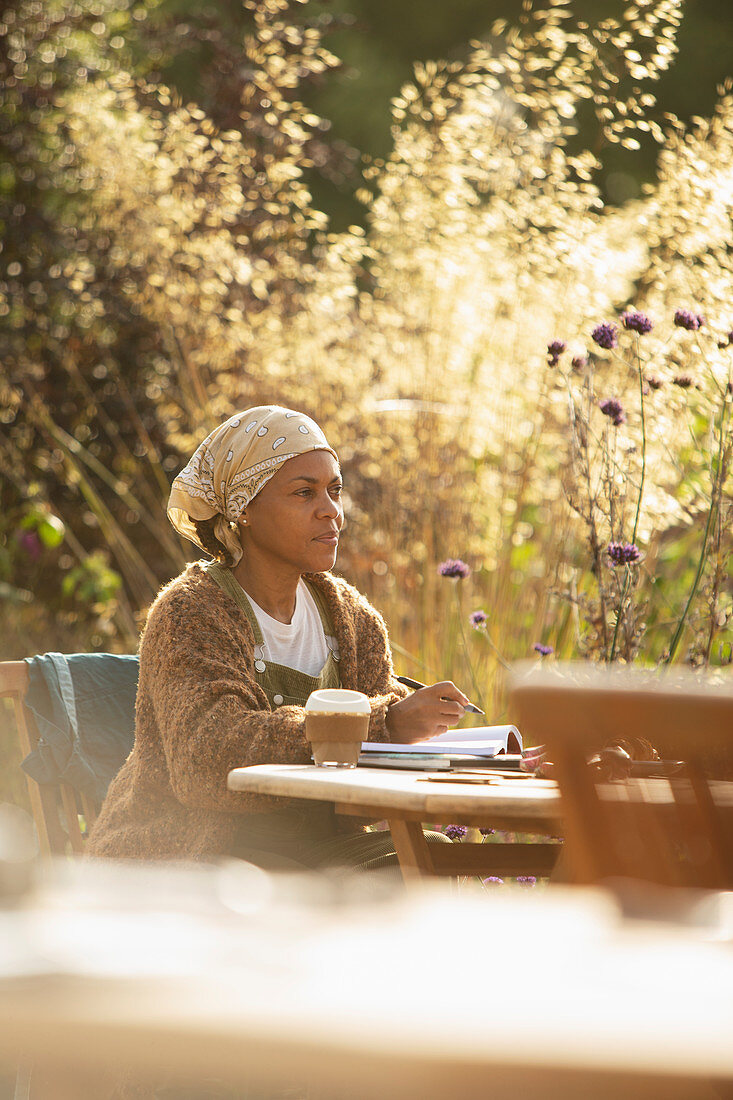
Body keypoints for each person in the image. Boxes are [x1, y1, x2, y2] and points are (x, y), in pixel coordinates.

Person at [87, 405, 470, 871]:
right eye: (304, 493)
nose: (330, 511)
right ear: (243, 508)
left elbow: (385, 736)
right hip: (196, 855)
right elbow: (209, 757)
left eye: (334, 491)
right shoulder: (191, 611)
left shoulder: (350, 618)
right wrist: (382, 723)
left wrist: (479, 759)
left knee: (428, 856)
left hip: (315, 850)